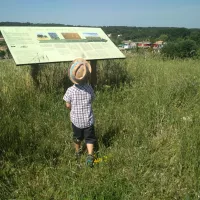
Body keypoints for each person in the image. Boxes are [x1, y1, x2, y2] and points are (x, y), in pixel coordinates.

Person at [63, 58, 97, 167]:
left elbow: (68, 105)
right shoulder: (89, 88)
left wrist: (70, 107)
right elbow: (92, 99)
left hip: (76, 121)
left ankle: (77, 152)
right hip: (88, 120)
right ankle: (90, 155)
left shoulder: (70, 90)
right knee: (90, 138)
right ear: (87, 75)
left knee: (77, 137)